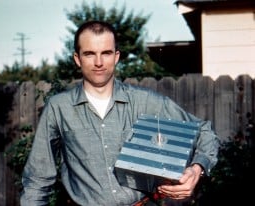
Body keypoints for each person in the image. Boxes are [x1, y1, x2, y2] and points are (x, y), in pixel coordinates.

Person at [20, 20, 220, 206]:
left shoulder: (145, 102)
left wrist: (196, 169)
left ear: (116, 56)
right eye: (89, 53)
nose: (99, 62)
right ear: (77, 59)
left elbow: (204, 132)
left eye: (106, 53)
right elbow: (37, 180)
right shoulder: (58, 107)